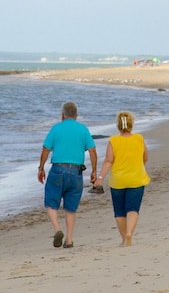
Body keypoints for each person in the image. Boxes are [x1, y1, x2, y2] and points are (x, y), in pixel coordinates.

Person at [39, 101, 97, 249]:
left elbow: (46, 149)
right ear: (76, 116)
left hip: (58, 169)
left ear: (62, 115)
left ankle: (58, 230)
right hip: (76, 171)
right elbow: (92, 151)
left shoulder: (56, 128)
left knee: (51, 202)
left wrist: (41, 168)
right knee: (71, 207)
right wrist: (94, 171)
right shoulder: (83, 129)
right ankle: (69, 239)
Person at [94, 111, 150, 246]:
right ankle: (130, 233)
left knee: (119, 212)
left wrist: (100, 178)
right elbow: (145, 158)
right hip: (136, 179)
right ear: (132, 124)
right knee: (133, 209)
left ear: (118, 125)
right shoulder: (139, 138)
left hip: (118, 181)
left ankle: (124, 238)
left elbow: (108, 160)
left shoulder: (113, 140)